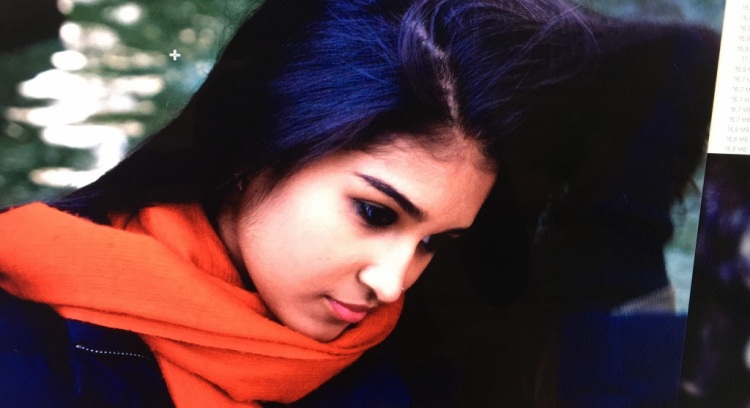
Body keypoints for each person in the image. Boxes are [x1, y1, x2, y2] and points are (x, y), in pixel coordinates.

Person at [0, 0, 598, 407]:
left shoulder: (415, 363)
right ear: (256, 150)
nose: (393, 284)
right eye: (375, 213)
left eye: (433, 243)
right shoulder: (27, 347)